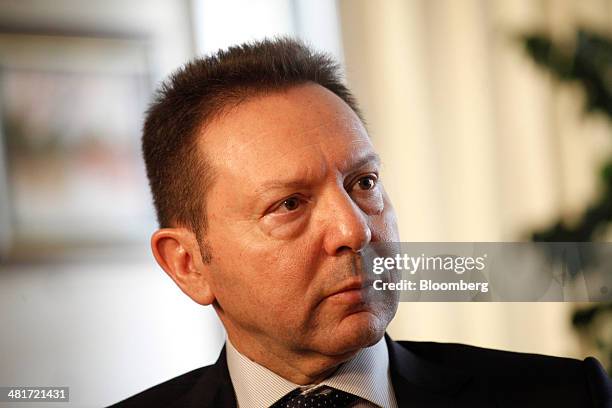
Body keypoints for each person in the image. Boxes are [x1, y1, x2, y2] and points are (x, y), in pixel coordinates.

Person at [110, 38, 611, 408]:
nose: (355, 231)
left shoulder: (565, 397)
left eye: (364, 183)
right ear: (187, 263)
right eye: (288, 204)